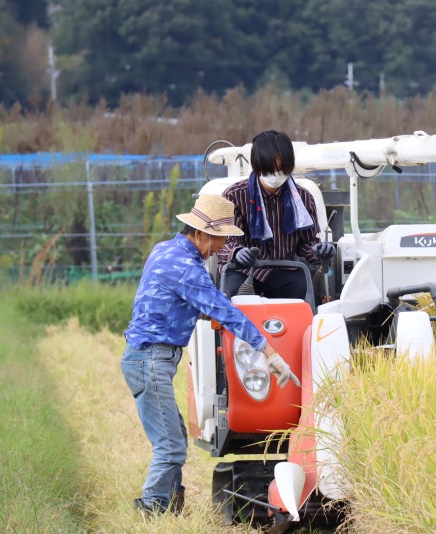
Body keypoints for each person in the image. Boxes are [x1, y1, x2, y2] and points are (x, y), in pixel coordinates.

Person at [121, 193, 300, 516]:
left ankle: (171, 510)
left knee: (173, 436)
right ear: (200, 233)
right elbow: (224, 311)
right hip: (151, 359)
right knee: (171, 446)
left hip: (148, 357)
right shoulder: (187, 268)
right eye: (219, 239)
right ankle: (150, 511)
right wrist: (269, 352)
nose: (221, 247)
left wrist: (203, 312)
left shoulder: (165, 250)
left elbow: (177, 302)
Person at [218, 129, 335, 301]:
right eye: (269, 170)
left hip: (283, 270)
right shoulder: (234, 196)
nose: (275, 176)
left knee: (308, 296)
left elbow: (307, 242)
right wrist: (237, 253)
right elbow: (224, 241)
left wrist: (319, 251)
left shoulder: (302, 198)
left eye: (281, 170)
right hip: (242, 270)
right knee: (230, 298)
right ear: (257, 166)